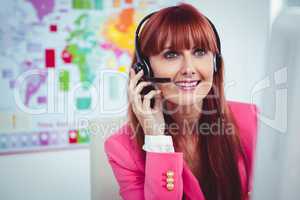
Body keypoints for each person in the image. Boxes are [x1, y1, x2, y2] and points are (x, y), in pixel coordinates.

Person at [104, 3, 258, 200]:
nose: (189, 68)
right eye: (171, 54)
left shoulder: (252, 121)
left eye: (200, 52)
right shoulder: (122, 149)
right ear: (145, 70)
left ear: (215, 63)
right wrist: (157, 140)